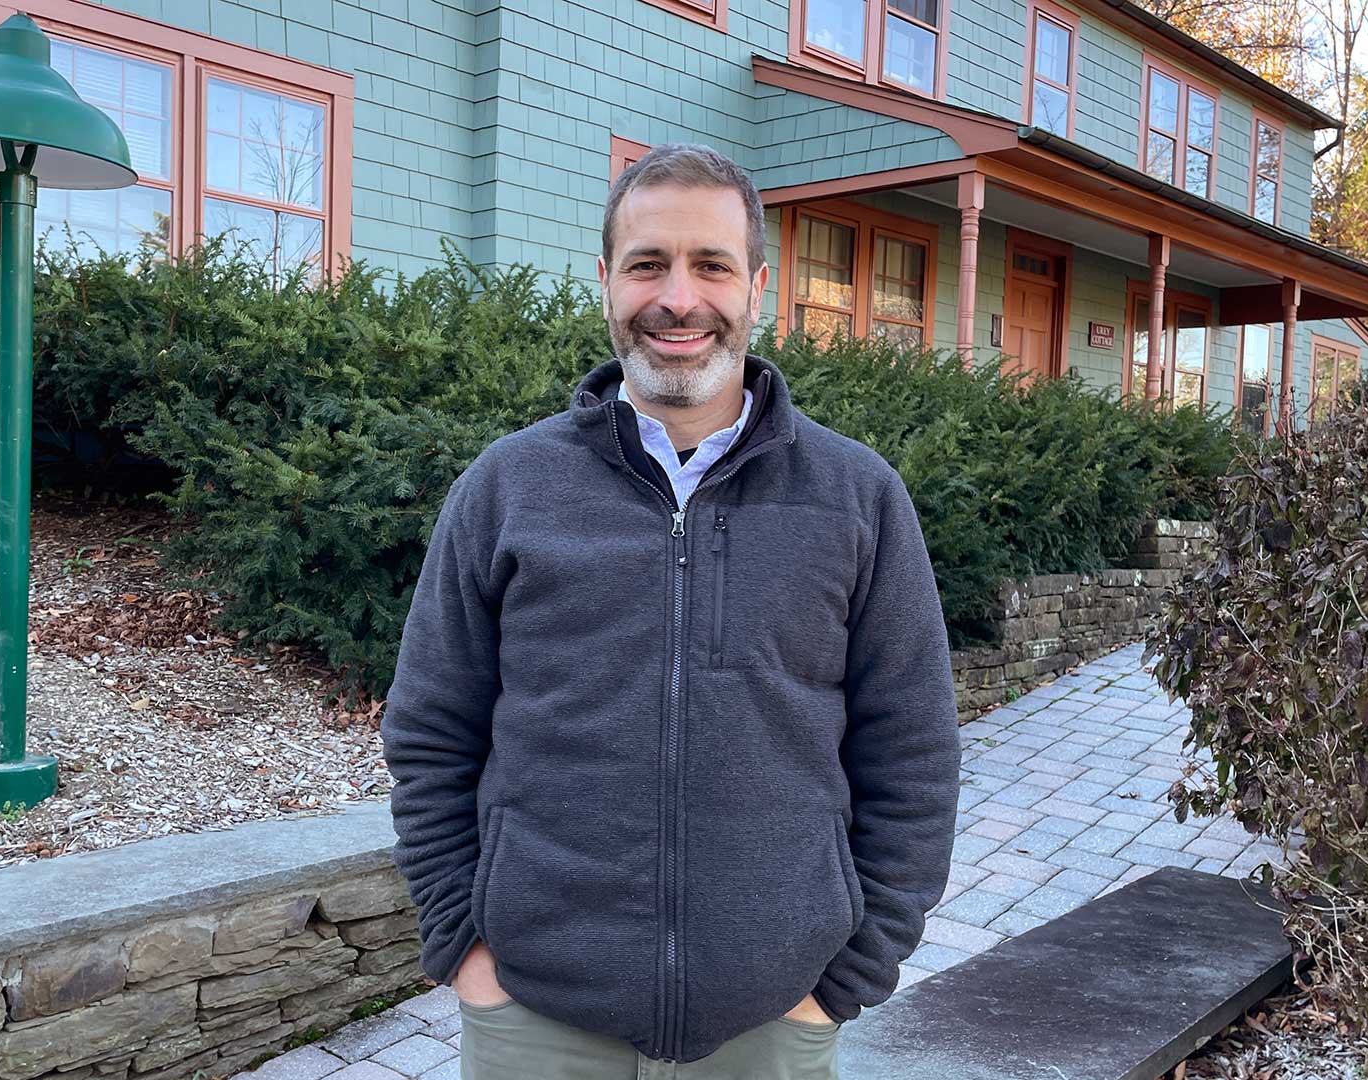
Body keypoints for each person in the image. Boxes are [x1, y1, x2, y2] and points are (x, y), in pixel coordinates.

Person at [381, 142, 959, 1079]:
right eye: (648, 264)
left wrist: (843, 981)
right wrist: (465, 947)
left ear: (758, 286)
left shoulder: (857, 497)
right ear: (606, 280)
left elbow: (914, 754)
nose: (678, 298)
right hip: (537, 1018)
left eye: (711, 265)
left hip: (774, 1021)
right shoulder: (507, 489)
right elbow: (430, 730)